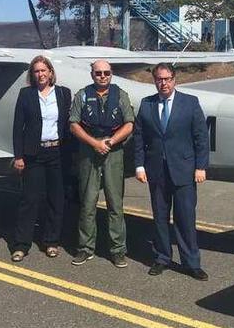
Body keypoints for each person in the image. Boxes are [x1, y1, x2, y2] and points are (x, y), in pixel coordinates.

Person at [133, 63, 210, 280]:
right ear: (154, 81)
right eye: (159, 79)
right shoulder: (146, 104)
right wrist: (139, 165)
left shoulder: (190, 103)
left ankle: (191, 262)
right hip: (156, 170)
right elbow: (139, 137)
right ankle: (162, 258)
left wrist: (201, 167)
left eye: (167, 79)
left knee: (185, 218)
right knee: (159, 218)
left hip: (184, 170)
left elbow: (200, 137)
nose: (163, 83)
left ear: (174, 79)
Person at [69, 59, 134, 268]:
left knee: (115, 203)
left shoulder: (121, 95)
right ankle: (85, 248)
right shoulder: (82, 95)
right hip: (89, 151)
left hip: (113, 151)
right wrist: (94, 143)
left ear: (111, 74)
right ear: (92, 75)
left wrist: (110, 142)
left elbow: (129, 124)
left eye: (106, 73)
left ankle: (117, 250)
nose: (103, 76)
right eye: (98, 73)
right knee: (88, 203)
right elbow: (74, 125)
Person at [10, 55, 72, 262]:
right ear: (32, 74)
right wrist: (19, 156)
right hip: (34, 153)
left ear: (51, 73)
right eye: (36, 71)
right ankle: (21, 244)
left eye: (44, 70)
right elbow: (18, 127)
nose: (40, 74)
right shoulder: (26, 94)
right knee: (30, 199)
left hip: (57, 152)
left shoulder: (63, 94)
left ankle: (52, 241)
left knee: (56, 199)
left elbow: (68, 124)